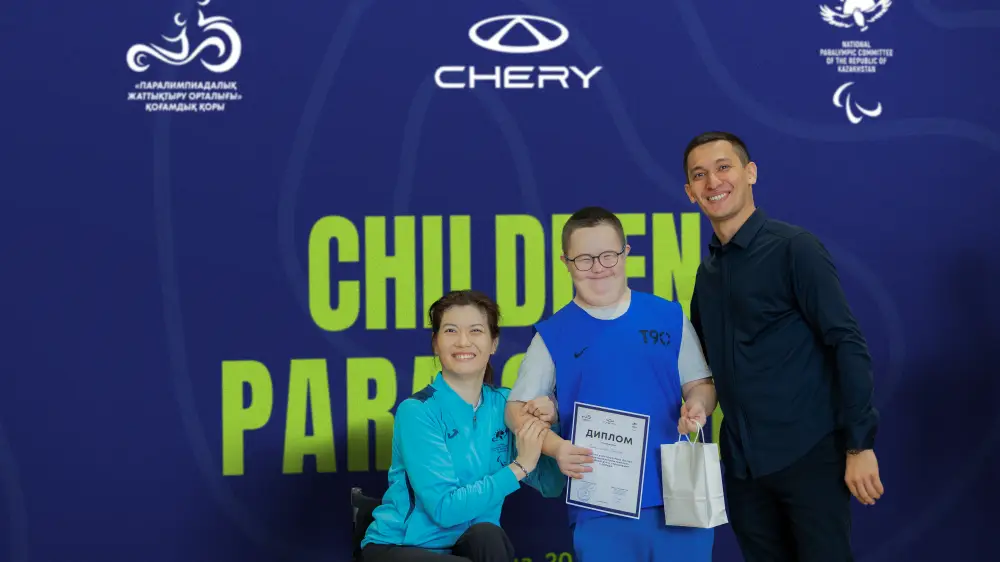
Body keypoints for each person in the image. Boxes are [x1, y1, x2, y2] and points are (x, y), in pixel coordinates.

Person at [681, 130, 885, 561]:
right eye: (699, 175)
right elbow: (706, 371)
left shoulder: (794, 248)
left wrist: (859, 444)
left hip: (810, 455)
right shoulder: (707, 276)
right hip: (743, 469)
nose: (713, 182)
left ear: (750, 172)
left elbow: (847, 343)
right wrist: (696, 406)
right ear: (690, 192)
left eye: (723, 167)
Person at [504, 207, 718, 561]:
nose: (598, 267)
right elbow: (515, 410)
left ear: (625, 253)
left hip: (681, 494)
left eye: (608, 255)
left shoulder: (668, 316)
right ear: (566, 262)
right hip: (600, 503)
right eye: (584, 259)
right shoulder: (552, 334)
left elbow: (701, 384)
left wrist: (698, 404)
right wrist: (557, 448)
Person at [361, 290, 564, 562]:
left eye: (476, 331)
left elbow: (551, 484)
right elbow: (444, 510)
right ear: (435, 343)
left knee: (488, 535)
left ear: (494, 343)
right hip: (400, 547)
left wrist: (551, 421)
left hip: (467, 546)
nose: (463, 341)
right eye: (451, 331)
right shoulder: (417, 411)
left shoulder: (507, 406)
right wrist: (519, 467)